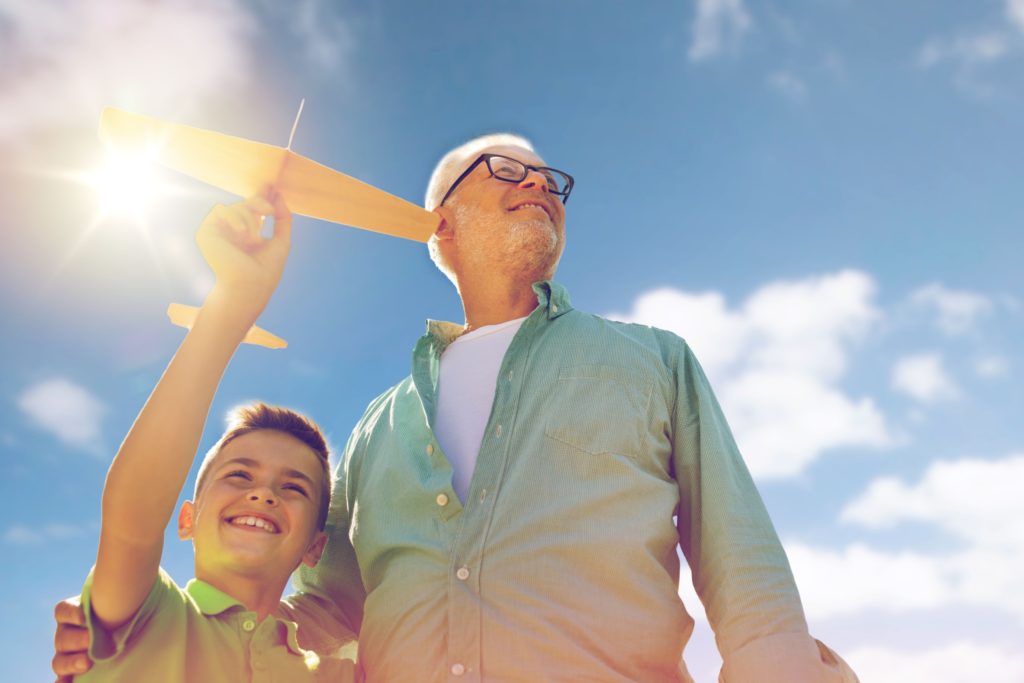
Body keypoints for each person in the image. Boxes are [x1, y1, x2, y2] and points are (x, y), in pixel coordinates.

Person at [55, 137, 857, 682]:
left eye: (551, 181)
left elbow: (744, 570)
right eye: (506, 172)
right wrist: (135, 627)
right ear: (440, 225)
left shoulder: (653, 360)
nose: (541, 184)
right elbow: (326, 606)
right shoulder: (375, 430)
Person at [62, 189, 355, 682]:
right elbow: (131, 521)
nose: (262, 493)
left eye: (294, 487)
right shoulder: (144, 618)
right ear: (187, 519)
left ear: (315, 550)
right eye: (239, 475)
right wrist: (232, 300)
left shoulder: (338, 671)